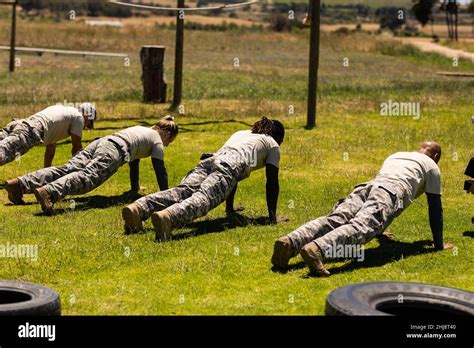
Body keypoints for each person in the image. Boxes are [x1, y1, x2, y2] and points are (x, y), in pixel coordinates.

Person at [271, 141, 455, 276]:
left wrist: (380, 232)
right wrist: (438, 245)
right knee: (361, 227)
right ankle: (317, 249)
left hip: (367, 186)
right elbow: (435, 208)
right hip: (389, 192)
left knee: (334, 220)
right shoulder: (432, 166)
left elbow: (378, 191)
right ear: (437, 157)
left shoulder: (398, 155)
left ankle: (290, 242)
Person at [122, 116, 288, 240]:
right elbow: (271, 182)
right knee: (204, 198)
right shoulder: (272, 144)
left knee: (182, 191)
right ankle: (168, 217)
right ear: (278, 136)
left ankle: (139, 208)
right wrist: (272, 218)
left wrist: (230, 209)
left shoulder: (243, 133)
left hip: (211, 159)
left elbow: (233, 179)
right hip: (230, 165)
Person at [4, 116, 178, 214]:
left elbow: (134, 162)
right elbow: (160, 171)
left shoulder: (142, 129)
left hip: (103, 141)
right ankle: (49, 193)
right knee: (88, 177)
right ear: (168, 134)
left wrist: (134, 189)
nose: (169, 144)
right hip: (116, 149)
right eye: (171, 140)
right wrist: (166, 196)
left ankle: (19, 184)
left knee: (67, 169)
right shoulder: (158, 142)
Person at [0, 103, 95, 167]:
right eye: (89, 123)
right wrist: (82, 168)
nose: (85, 126)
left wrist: (46, 171)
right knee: (3, 153)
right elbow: (77, 147)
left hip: (20, 124)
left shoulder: (63, 110)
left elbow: (51, 146)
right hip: (30, 131)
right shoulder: (78, 117)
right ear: (87, 115)